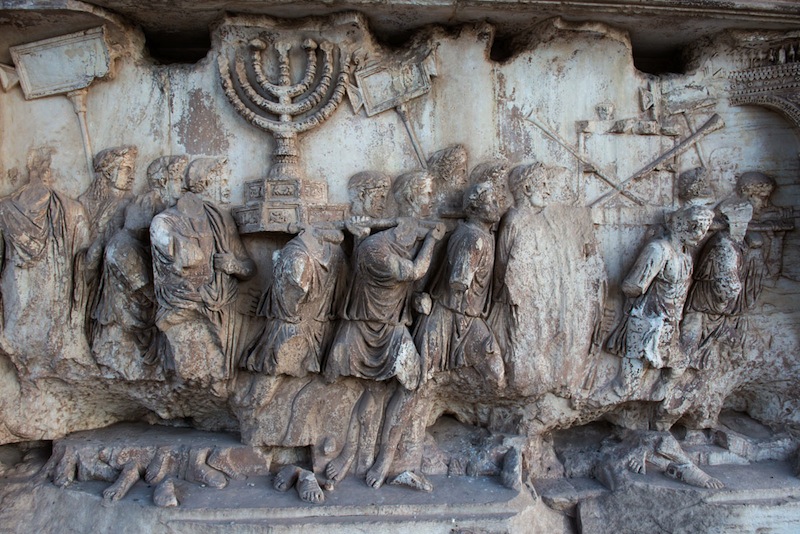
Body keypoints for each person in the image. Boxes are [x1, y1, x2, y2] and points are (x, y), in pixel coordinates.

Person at [324, 170, 445, 488]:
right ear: (408, 198)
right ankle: (348, 453)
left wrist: (419, 298)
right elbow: (414, 270)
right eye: (426, 194)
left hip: (394, 326)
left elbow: (410, 284)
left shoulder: (404, 238)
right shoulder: (374, 248)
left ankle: (385, 458)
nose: (431, 201)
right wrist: (432, 239)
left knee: (410, 384)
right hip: (368, 329)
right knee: (371, 393)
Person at [151, 158, 255, 394]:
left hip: (223, 310)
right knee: (196, 370)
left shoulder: (221, 219)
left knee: (217, 376)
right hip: (186, 310)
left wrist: (234, 266)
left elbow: (249, 268)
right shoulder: (166, 221)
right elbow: (188, 258)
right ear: (206, 182)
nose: (229, 188)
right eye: (224, 181)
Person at [606, 205, 714, 396]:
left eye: (703, 229)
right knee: (628, 384)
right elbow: (632, 285)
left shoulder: (685, 253)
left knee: (679, 365)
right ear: (679, 224)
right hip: (645, 321)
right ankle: (600, 402)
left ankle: (659, 400)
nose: (699, 234)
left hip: (670, 323)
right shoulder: (658, 250)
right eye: (694, 226)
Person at [0, 147, 89, 364]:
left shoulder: (5, 209)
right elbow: (83, 246)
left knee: (19, 327)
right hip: (54, 283)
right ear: (48, 172)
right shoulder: (71, 208)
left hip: (17, 281)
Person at [414, 181, 504, 387]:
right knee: (422, 385)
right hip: (448, 318)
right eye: (491, 201)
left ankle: (449, 385)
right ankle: (445, 385)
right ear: (473, 209)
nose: (497, 204)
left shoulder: (484, 236)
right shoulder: (473, 238)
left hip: (468, 317)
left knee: (495, 375)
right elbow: (458, 280)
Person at [242, 224, 346, 377]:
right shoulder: (298, 254)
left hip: (307, 322)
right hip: (294, 324)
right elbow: (295, 288)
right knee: (274, 371)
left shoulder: (331, 251)